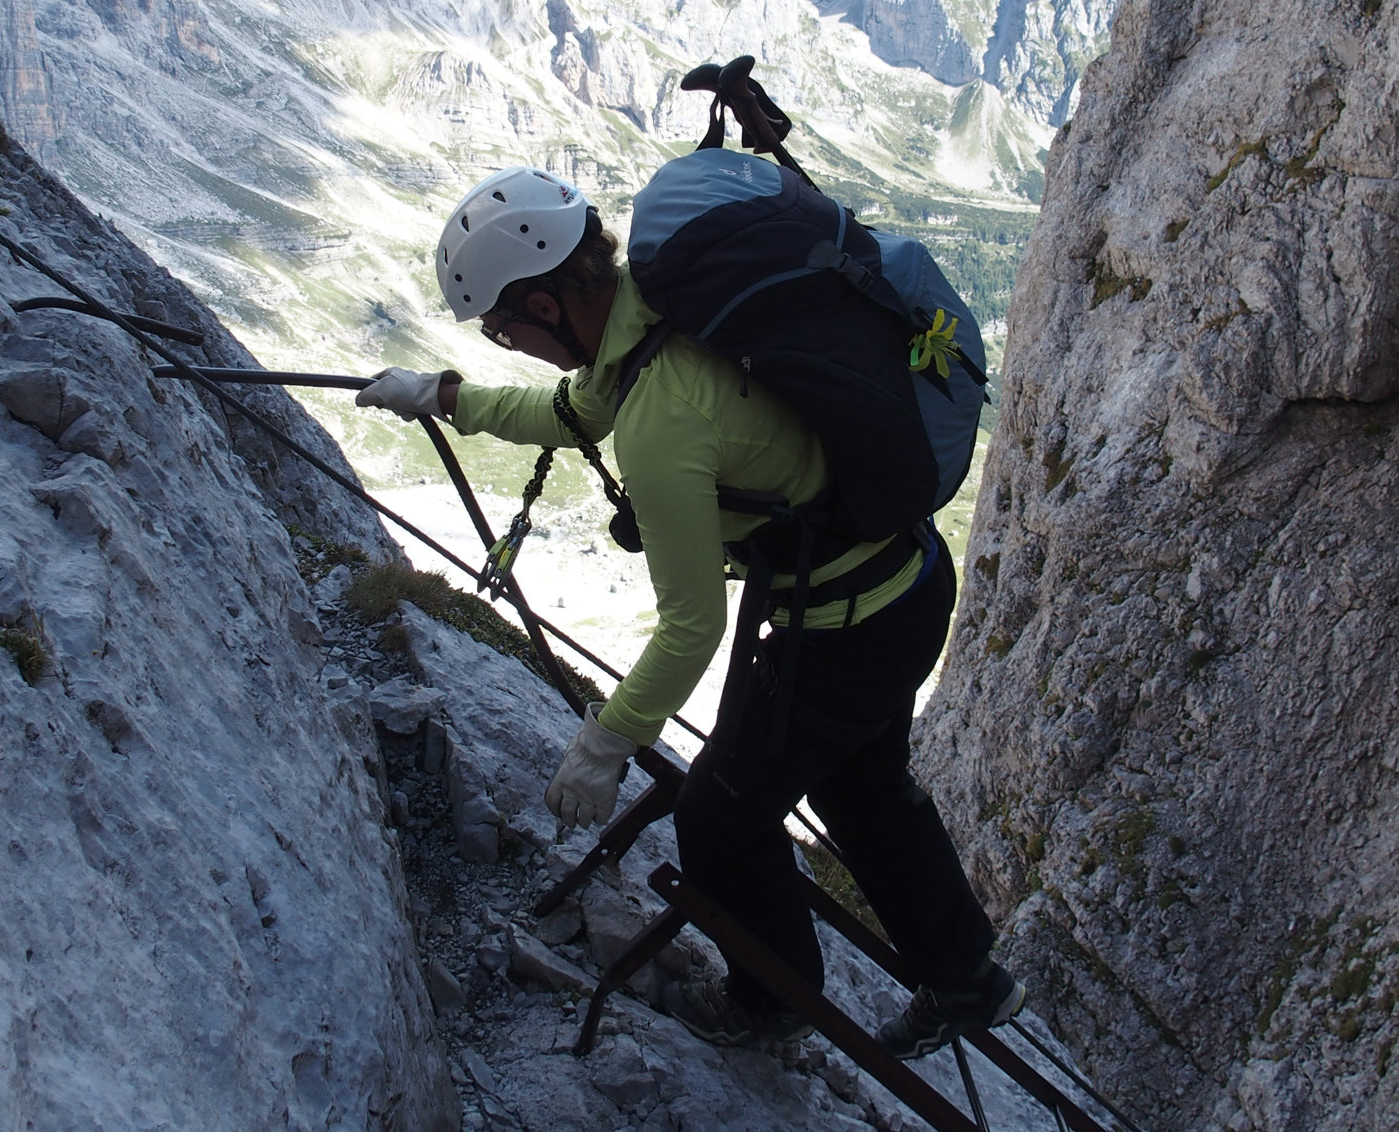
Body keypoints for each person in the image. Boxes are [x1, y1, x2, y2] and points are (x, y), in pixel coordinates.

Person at [357, 165, 1022, 1058]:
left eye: (503, 328)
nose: (507, 344)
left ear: (546, 305)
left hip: (845, 631)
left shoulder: (662, 420)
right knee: (862, 784)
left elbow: (690, 628)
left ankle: (768, 1004)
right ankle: (968, 979)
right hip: (902, 584)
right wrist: (444, 397)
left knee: (720, 819)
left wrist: (603, 746)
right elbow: (573, 410)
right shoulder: (654, 309)